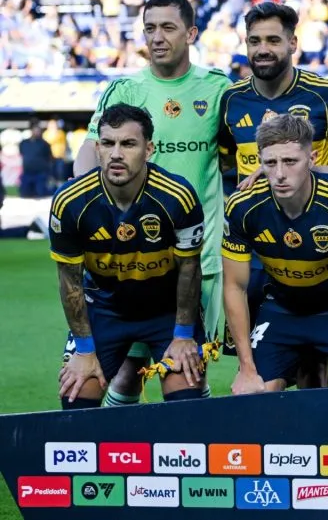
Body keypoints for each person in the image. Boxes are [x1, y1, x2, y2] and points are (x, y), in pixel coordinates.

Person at [72, 0, 232, 407]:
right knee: (128, 369)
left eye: (168, 27)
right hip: (132, 256)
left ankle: (185, 448)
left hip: (199, 258)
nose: (157, 37)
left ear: (191, 33)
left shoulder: (217, 89)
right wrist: (90, 202)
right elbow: (91, 151)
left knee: (189, 362)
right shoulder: (126, 89)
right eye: (149, 28)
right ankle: (122, 456)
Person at [217, 1, 328, 388]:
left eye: (273, 39)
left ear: (293, 43)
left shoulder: (326, 95)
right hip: (256, 252)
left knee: (314, 363)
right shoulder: (232, 100)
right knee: (260, 367)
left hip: (320, 248)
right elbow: (227, 166)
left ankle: (316, 442)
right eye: (254, 40)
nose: (262, 49)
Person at [49, 104, 209, 409]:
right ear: (97, 148)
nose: (116, 154)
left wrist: (184, 334)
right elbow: (69, 281)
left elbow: (190, 268)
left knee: (186, 396)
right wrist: (84, 350)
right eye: (108, 143)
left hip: (166, 311)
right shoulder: (70, 201)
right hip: (105, 309)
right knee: (76, 394)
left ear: (148, 149)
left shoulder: (178, 196)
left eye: (128, 144)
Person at [223, 114, 328, 393]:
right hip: (283, 309)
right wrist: (247, 369)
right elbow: (234, 286)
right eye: (270, 163)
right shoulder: (243, 206)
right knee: (251, 394)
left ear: (311, 159)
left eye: (290, 161)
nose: (279, 174)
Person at [19, 121, 52, 199]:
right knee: (24, 194)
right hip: (27, 172)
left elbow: (49, 157)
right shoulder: (24, 143)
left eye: (39, 131)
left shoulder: (45, 144)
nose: (37, 132)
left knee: (41, 194)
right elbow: (22, 153)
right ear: (31, 131)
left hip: (40, 173)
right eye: (35, 130)